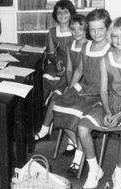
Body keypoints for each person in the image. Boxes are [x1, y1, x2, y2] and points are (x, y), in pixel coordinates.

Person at [78, 17, 121, 189]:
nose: (119, 40)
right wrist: (108, 111)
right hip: (109, 104)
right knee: (82, 126)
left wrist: (119, 115)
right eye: (114, 36)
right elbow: (103, 90)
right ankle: (94, 169)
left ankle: (119, 172)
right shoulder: (106, 59)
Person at [52, 8, 112, 177]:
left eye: (101, 29)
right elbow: (79, 70)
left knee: (78, 115)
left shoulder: (110, 49)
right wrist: (71, 87)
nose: (96, 33)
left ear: (107, 28)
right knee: (59, 105)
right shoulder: (87, 45)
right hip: (84, 86)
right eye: (92, 29)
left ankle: (79, 155)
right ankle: (78, 143)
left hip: (101, 92)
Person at [35, 14, 88, 151]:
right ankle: (46, 130)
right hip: (70, 80)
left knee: (61, 101)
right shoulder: (71, 44)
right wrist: (68, 86)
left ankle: (74, 142)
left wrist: (70, 88)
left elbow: (81, 72)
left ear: (86, 30)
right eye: (73, 28)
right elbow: (70, 70)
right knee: (54, 99)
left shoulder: (88, 46)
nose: (76, 31)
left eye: (80, 29)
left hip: (84, 83)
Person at [42, 0, 76, 102]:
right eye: (59, 12)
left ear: (71, 14)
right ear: (55, 15)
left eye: (65, 12)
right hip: (58, 65)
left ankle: (54, 102)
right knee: (46, 77)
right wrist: (56, 61)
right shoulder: (52, 32)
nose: (62, 15)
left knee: (64, 83)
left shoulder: (76, 31)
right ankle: (44, 105)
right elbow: (50, 54)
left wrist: (68, 67)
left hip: (74, 66)